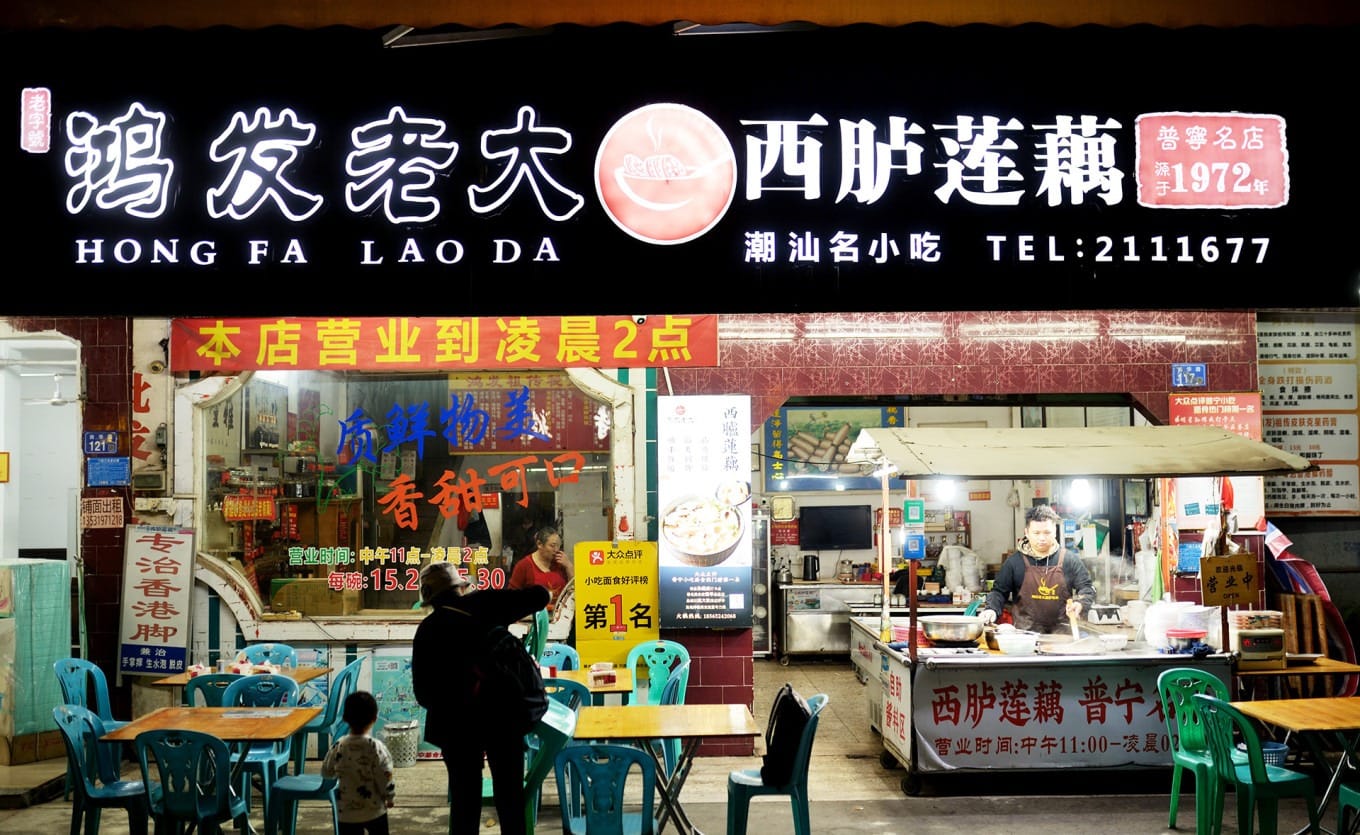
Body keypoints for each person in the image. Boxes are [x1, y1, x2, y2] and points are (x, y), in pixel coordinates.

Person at [411, 561, 550, 835]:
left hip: (455, 726)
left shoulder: (427, 630)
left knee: (465, 800)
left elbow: (423, 694)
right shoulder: (486, 604)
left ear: (429, 599)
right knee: (510, 797)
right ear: (459, 587)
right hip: (503, 716)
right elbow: (541, 596)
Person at [978, 504, 1096, 634]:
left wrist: (1080, 603)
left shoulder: (1070, 559)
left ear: (1055, 532)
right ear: (1026, 533)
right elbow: (999, 592)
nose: (1042, 538)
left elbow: (1086, 588)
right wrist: (991, 609)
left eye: (1047, 532)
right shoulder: (1014, 562)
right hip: (1025, 637)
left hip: (1062, 637)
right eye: (1036, 533)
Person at [320, 690, 396, 835]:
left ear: (345, 718)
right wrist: (389, 796)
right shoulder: (376, 747)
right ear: (374, 718)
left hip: (346, 813)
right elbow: (385, 776)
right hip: (375, 811)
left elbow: (326, 772)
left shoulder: (339, 745)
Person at [507, 526, 573, 610]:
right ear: (539, 544)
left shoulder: (561, 563)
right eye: (552, 546)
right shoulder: (524, 565)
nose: (556, 550)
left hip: (560, 617)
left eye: (558, 546)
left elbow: (574, 590)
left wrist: (569, 566)